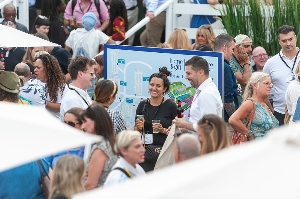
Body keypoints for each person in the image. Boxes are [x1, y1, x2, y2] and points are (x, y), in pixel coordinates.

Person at [134, 67, 177, 172]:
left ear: (164, 88)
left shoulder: (171, 106)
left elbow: (178, 131)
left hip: (163, 153)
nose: (154, 88)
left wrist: (163, 130)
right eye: (152, 84)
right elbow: (135, 131)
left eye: (158, 86)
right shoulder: (142, 105)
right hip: (144, 152)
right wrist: (138, 128)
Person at [173, 56, 223, 135]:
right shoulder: (202, 90)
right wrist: (182, 128)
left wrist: (184, 124)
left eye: (188, 73)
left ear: (200, 72)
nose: (186, 77)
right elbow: (198, 123)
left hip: (205, 145)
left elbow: (208, 126)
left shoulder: (206, 94)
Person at [263, 25, 300, 126]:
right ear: (279, 41)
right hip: (279, 112)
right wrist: (271, 110)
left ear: (295, 38)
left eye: (290, 39)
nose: (288, 43)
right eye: (284, 41)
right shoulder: (271, 62)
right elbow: (262, 87)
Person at [229, 72, 279, 140]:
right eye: (266, 83)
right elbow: (233, 120)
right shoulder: (250, 103)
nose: (270, 86)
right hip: (257, 148)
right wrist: (249, 135)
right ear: (255, 85)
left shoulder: (263, 104)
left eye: (270, 84)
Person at [81, 104, 118, 189]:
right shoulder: (109, 143)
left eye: (85, 121)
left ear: (96, 121)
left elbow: (91, 184)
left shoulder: (101, 149)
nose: (82, 127)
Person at [214, 33, 239, 137]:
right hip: (225, 122)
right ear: (224, 48)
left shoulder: (208, 62)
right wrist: (235, 120)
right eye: (232, 49)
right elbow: (227, 100)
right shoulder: (225, 67)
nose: (233, 53)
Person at [60, 56, 93, 120]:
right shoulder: (72, 99)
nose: (93, 77)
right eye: (91, 74)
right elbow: (79, 126)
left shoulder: (81, 92)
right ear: (80, 74)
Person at [34, 54, 67, 118]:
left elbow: (62, 107)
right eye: (34, 67)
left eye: (38, 67)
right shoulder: (32, 83)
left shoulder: (60, 85)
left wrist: (43, 102)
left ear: (48, 68)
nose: (35, 70)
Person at [230, 34, 253, 105]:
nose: (250, 49)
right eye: (246, 46)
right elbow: (245, 81)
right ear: (236, 47)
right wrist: (246, 63)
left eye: (251, 46)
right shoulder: (231, 61)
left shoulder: (247, 59)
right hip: (237, 104)